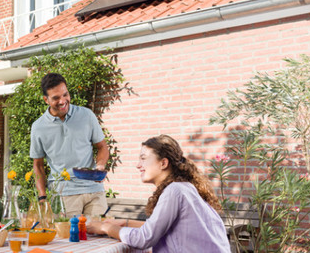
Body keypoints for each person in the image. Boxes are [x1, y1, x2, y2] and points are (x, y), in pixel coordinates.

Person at [86, 135, 230, 253]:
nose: (138, 165)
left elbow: (144, 238)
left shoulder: (174, 191)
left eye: (143, 158)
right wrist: (125, 223)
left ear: (163, 163)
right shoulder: (186, 188)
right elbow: (164, 227)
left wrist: (105, 227)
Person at [30, 73, 109, 216]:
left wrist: (100, 166)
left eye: (65, 95)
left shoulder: (87, 115)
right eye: (56, 98)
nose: (62, 101)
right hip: (63, 194)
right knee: (67, 238)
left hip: (94, 191)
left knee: (100, 235)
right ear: (46, 100)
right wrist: (42, 197)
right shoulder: (38, 127)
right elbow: (38, 165)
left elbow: (102, 146)